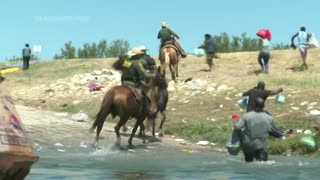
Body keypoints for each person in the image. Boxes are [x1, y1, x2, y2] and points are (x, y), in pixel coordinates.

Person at [234, 97, 285, 162]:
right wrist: (281, 136)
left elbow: (237, 127)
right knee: (262, 164)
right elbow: (274, 131)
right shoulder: (269, 118)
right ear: (263, 106)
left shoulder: (246, 116)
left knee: (249, 164)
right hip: (261, 147)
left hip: (249, 146)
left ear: (254, 105)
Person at [121, 47, 156, 116]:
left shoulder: (126, 62)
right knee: (145, 95)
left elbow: (124, 71)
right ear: (137, 55)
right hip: (133, 83)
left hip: (124, 82)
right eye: (139, 54)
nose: (140, 55)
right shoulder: (137, 63)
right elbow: (144, 74)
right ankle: (146, 110)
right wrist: (154, 76)